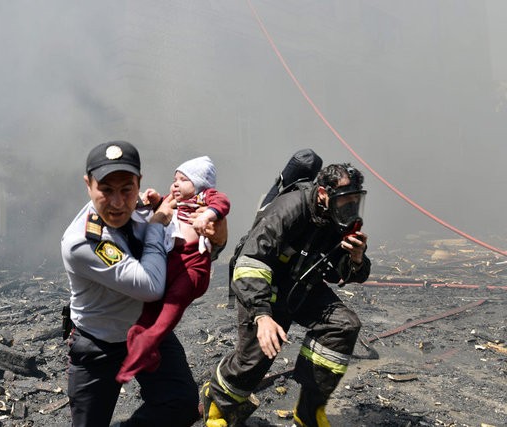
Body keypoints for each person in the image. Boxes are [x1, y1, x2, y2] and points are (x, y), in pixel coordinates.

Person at [61, 141, 225, 427]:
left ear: (138, 183)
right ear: (88, 185)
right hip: (100, 341)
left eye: (126, 189)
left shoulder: (146, 207)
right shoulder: (83, 240)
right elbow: (151, 285)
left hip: (146, 329)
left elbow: (190, 246)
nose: (117, 202)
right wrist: (157, 225)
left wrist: (218, 237)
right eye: (106, 190)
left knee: (182, 405)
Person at [201, 163, 371, 427]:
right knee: (255, 358)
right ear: (324, 193)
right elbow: (251, 261)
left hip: (302, 284)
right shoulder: (289, 209)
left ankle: (309, 411)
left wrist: (356, 258)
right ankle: (217, 405)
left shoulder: (336, 217)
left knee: (343, 325)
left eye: (354, 200)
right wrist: (262, 315)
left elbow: (338, 273)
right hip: (265, 285)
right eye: (344, 200)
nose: (349, 207)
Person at [116, 156, 231, 383]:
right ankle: (144, 340)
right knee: (155, 302)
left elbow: (221, 208)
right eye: (174, 179)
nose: (175, 184)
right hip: (117, 313)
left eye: (182, 179)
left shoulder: (201, 198)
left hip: (188, 263)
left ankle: (150, 340)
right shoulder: (101, 228)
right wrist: (157, 210)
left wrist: (212, 224)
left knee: (172, 301)